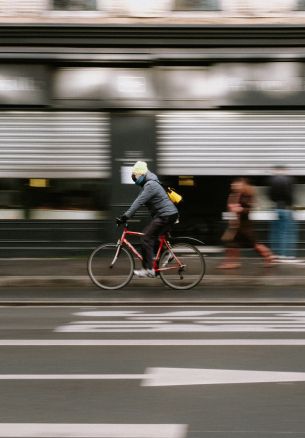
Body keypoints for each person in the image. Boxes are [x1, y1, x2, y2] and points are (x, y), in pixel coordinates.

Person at [118, 161, 179, 278]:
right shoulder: (149, 183)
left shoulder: (150, 185)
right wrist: (129, 215)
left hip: (165, 215)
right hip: (168, 214)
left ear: (141, 174)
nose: (134, 178)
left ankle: (148, 269)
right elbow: (141, 202)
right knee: (154, 237)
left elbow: (138, 202)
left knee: (146, 238)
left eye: (135, 176)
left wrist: (125, 216)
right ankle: (166, 255)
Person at [218, 177, 275, 269]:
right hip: (235, 225)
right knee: (230, 244)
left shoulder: (247, 195)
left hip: (245, 226)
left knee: (254, 245)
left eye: (237, 184)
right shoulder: (234, 195)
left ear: (243, 185)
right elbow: (230, 208)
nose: (234, 186)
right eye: (233, 184)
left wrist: (240, 209)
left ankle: (270, 257)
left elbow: (249, 209)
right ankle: (232, 262)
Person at [268, 166, 297, 261]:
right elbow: (290, 194)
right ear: (285, 170)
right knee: (288, 233)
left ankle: (277, 253)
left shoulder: (272, 180)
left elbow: (270, 196)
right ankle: (287, 254)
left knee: (277, 232)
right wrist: (290, 204)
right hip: (287, 208)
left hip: (277, 208)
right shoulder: (288, 179)